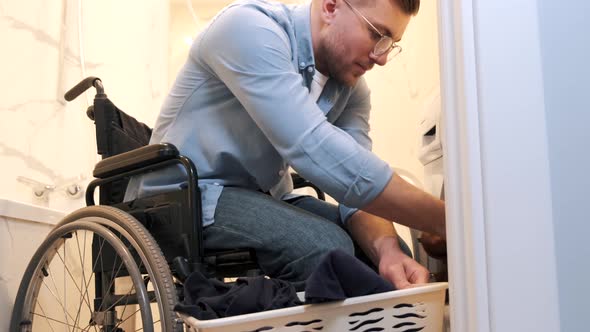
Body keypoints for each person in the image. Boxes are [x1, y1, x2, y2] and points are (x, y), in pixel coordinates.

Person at [126, 0, 445, 290]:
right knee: (324, 247)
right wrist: (450, 220)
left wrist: (387, 249)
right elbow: (313, 148)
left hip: (261, 195)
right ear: (331, 7)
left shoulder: (351, 89)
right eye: (378, 34)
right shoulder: (248, 28)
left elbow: (354, 181)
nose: (383, 56)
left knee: (390, 256)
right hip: (185, 196)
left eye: (392, 44)